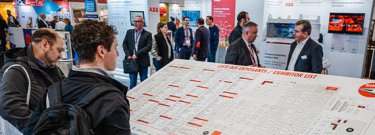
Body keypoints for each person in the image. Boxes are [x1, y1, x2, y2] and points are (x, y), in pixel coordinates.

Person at [28, 19, 131, 134]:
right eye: (115, 48)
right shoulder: (112, 99)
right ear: (101, 51)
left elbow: (30, 130)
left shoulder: (52, 92)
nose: (117, 53)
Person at [0, 28, 65, 133]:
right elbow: (10, 107)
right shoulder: (17, 70)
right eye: (59, 49)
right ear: (44, 44)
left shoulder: (53, 69)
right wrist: (42, 129)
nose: (61, 56)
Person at [123, 16, 152, 89]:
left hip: (143, 61)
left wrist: (137, 54)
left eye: (138, 21)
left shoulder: (147, 34)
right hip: (132, 61)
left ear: (142, 23)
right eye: (134, 21)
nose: (135, 23)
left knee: (143, 82)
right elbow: (124, 44)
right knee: (132, 82)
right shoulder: (129, 32)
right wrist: (128, 55)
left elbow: (148, 47)